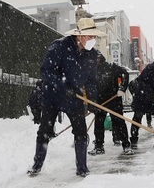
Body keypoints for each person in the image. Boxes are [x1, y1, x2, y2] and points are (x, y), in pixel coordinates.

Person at [27, 18, 106, 177]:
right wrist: (64, 86)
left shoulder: (92, 55)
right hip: (52, 96)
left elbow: (91, 80)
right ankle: (37, 165)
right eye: (90, 36)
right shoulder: (59, 46)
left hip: (74, 98)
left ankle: (82, 168)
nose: (93, 40)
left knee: (81, 132)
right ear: (79, 36)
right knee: (44, 131)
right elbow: (46, 71)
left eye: (94, 37)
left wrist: (92, 101)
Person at [88, 53, 133, 155]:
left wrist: (122, 88)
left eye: (98, 59)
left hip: (114, 99)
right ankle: (99, 146)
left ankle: (126, 145)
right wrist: (92, 101)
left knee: (119, 122)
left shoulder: (111, 67)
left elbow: (125, 74)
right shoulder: (91, 71)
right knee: (99, 124)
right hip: (100, 101)